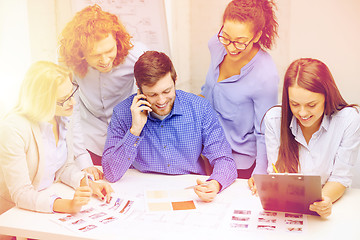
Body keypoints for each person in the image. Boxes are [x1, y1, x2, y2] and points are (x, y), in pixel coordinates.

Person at [102, 51, 237, 202]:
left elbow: (224, 159)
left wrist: (216, 183)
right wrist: (135, 130)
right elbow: (110, 173)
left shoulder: (199, 108)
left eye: (167, 91)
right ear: (139, 89)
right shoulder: (122, 113)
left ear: (175, 80)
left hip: (190, 190)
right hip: (142, 191)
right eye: (152, 95)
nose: (161, 101)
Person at [0, 61, 113, 215]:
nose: (72, 102)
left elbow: (62, 167)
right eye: (64, 99)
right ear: (41, 102)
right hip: (14, 212)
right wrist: (68, 205)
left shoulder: (62, 115)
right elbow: (21, 193)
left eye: (72, 94)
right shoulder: (14, 129)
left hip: (44, 198)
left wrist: (89, 184)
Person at [263, 58, 360, 217]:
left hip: (332, 206)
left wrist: (325, 199)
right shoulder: (274, 119)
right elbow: (275, 174)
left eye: (311, 105)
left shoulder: (349, 120)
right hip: (289, 208)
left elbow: (340, 177)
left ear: (327, 97)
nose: (302, 113)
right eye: (294, 104)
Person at [58, 4, 147, 167]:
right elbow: (71, 113)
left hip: (127, 135)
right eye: (95, 55)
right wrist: (82, 159)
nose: (105, 60)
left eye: (110, 50)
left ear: (117, 41)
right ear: (80, 53)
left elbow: (159, 94)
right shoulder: (69, 64)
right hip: (88, 138)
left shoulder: (137, 55)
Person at [200, 0, 279, 180]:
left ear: (257, 36)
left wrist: (260, 172)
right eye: (226, 37)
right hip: (208, 149)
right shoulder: (216, 44)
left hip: (239, 162)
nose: (230, 47)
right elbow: (208, 90)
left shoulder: (265, 76)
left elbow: (265, 130)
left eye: (240, 42)